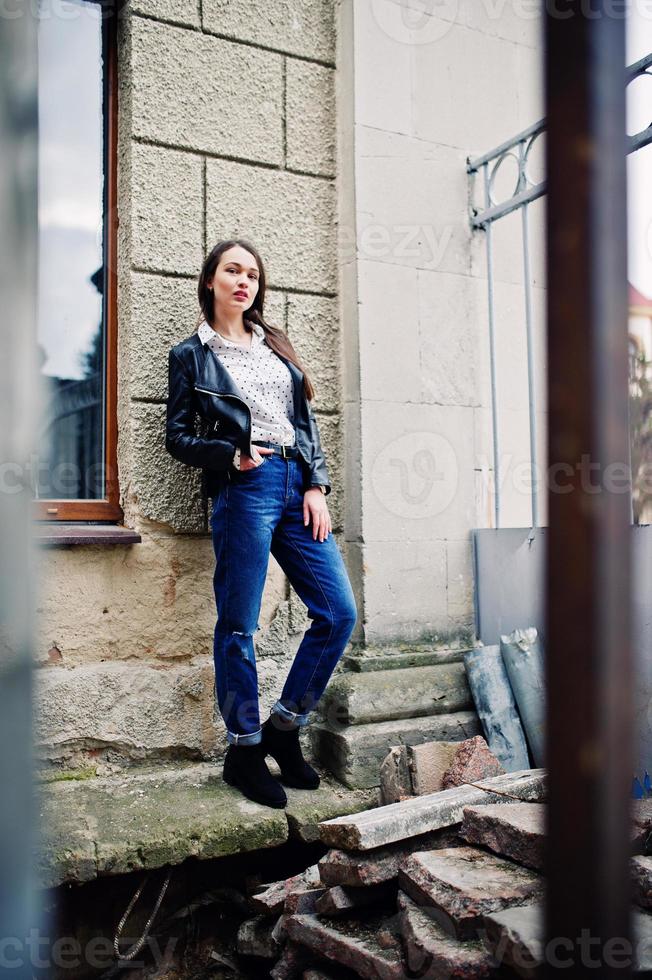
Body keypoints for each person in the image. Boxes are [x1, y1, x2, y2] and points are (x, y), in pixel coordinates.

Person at [165, 239, 358, 808]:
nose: (244, 281)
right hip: (243, 489)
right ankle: (244, 749)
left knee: (337, 612)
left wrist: (318, 486)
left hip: (297, 486)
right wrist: (230, 454)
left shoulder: (275, 342)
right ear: (211, 282)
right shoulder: (191, 355)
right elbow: (177, 437)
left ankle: (283, 726)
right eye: (232, 271)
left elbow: (305, 420)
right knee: (239, 625)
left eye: (252, 273)